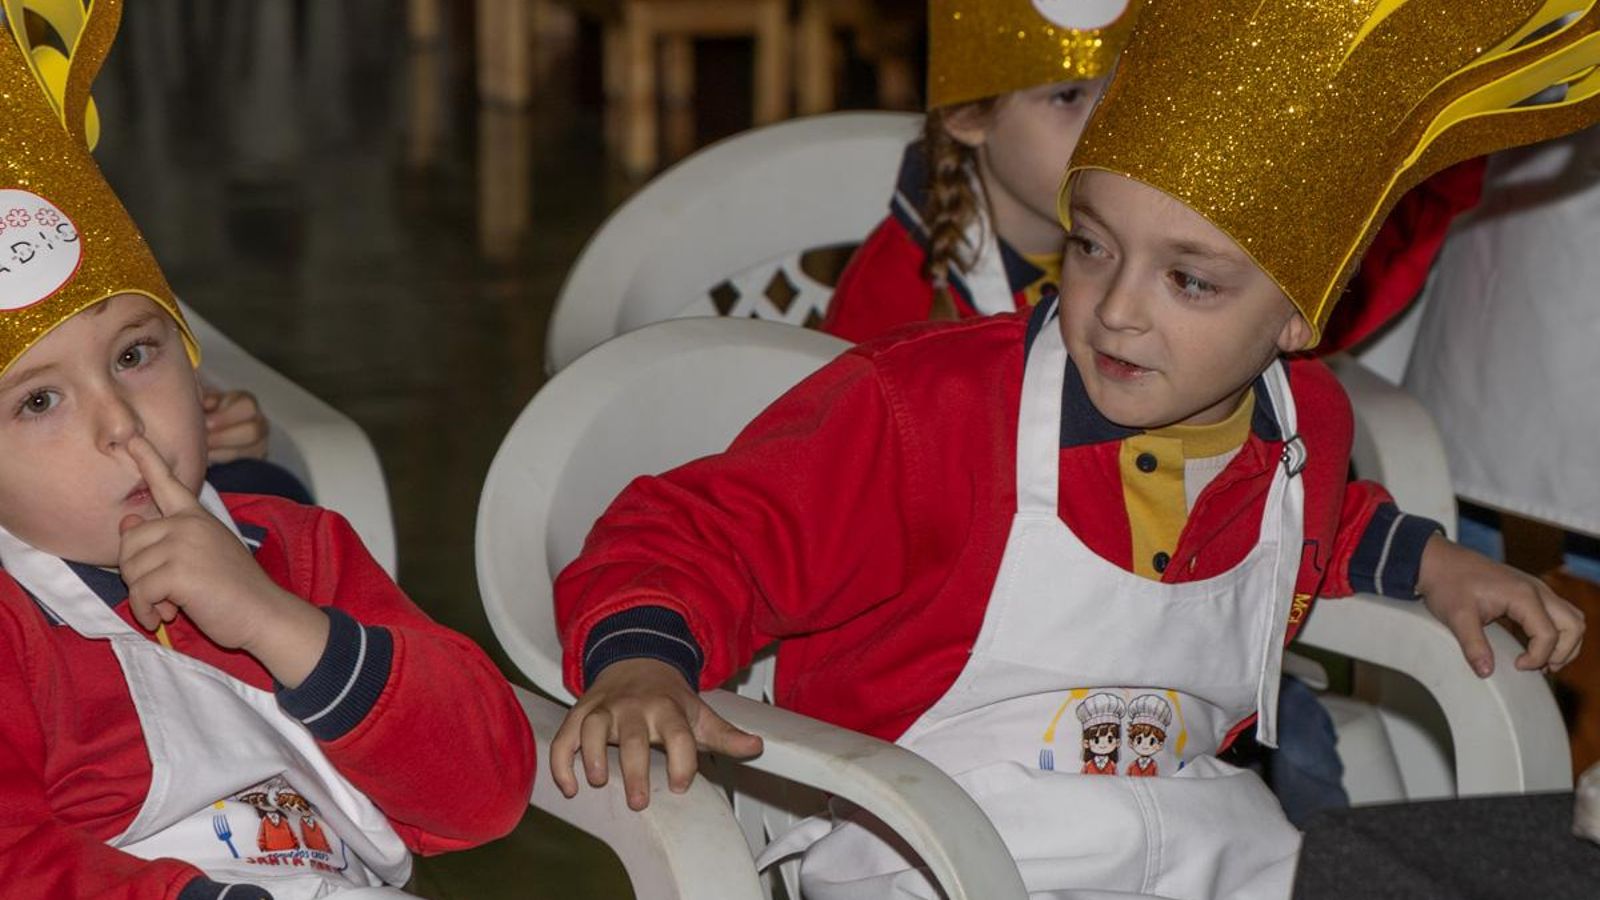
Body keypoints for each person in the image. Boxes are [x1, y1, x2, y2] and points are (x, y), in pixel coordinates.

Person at [553, 2, 1594, 897]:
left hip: (1202, 841)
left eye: (1190, 281)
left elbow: (1308, 526)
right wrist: (644, 657)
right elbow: (697, 529)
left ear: (1296, 320)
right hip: (930, 846)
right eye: (1092, 247)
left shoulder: (1301, 425)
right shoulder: (927, 407)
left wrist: (1431, 563)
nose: (1118, 312)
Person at [0, 7, 535, 897]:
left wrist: (280, 623)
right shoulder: (18, 637)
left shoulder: (298, 552)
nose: (121, 425)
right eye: (38, 401)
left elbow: (488, 791)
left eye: (135, 355)